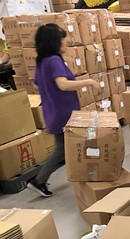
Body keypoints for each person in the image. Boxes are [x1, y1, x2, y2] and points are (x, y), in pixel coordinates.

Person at [27, 24, 99, 198]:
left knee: (68, 146)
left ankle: (81, 174)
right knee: (63, 148)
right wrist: (89, 82)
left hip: (52, 111)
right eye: (62, 39)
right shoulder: (54, 60)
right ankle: (39, 180)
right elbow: (63, 84)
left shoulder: (42, 62)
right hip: (63, 112)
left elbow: (38, 84)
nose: (65, 42)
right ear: (54, 42)